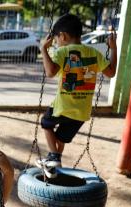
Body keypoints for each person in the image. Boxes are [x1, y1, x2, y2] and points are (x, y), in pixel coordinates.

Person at [38, 14, 117, 178]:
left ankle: (54, 157)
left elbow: (50, 72)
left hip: (64, 106)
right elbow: (111, 72)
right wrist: (113, 48)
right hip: (82, 112)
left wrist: (43, 49)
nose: (57, 42)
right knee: (60, 138)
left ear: (63, 36)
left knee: (46, 123)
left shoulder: (63, 52)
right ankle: (53, 165)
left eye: (57, 39)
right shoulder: (93, 53)